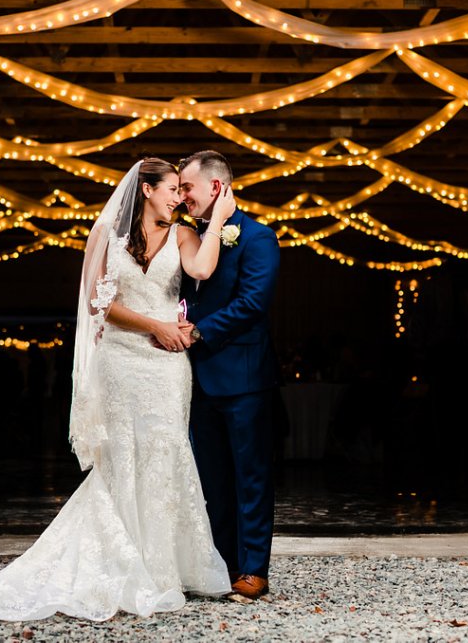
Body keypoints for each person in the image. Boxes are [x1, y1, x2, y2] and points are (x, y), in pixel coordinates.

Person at [0, 158, 237, 621]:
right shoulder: (107, 233)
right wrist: (155, 323)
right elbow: (99, 302)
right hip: (121, 360)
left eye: (180, 189)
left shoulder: (185, 235)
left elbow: (203, 270)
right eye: (172, 188)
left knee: (165, 451)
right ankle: (124, 562)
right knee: (124, 456)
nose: (178, 197)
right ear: (147, 189)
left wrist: (216, 223)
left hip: (166, 367)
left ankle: (165, 565)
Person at [178, 150, 281, 600]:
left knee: (251, 476)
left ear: (216, 187)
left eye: (187, 188)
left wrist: (198, 331)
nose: (182, 197)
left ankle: (254, 568)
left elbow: (252, 303)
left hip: (243, 378)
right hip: (193, 379)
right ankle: (224, 564)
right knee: (212, 479)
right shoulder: (187, 236)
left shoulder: (259, 237)